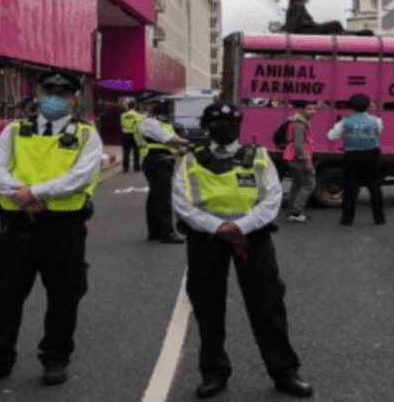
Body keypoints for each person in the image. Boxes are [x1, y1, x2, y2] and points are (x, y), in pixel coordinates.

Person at [0, 71, 102, 388]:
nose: (54, 97)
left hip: (62, 229)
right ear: (39, 95)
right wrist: (23, 196)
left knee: (63, 297)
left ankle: (55, 359)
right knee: (4, 295)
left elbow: (80, 177)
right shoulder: (15, 130)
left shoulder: (86, 134)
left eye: (62, 92)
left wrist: (36, 193)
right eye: (48, 90)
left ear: (74, 99)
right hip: (17, 227)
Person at [172, 103, 313, 399]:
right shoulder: (190, 160)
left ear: (239, 125)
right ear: (206, 127)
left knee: (268, 306)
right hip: (207, 240)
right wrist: (218, 227)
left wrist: (241, 228)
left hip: (253, 239)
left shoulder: (258, 156)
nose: (225, 126)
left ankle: (285, 372)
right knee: (208, 309)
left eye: (230, 121)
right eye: (217, 122)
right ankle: (214, 374)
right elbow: (182, 202)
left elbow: (272, 199)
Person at [134, 91, 189, 244]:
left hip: (158, 160)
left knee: (154, 197)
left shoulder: (154, 121)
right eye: (154, 103)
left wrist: (179, 150)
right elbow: (170, 139)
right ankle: (167, 233)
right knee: (163, 198)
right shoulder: (149, 122)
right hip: (158, 162)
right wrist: (189, 144)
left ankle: (155, 232)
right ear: (145, 106)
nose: (159, 106)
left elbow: (167, 143)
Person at [328, 94, 385, 226]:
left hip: (352, 155)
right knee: (375, 187)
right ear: (368, 105)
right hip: (371, 154)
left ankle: (347, 219)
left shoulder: (345, 121)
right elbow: (378, 133)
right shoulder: (376, 121)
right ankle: (379, 218)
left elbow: (331, 136)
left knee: (350, 188)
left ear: (351, 106)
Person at [281, 101, 318, 223]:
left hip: (291, 157)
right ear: (302, 109)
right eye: (309, 108)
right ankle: (296, 211)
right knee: (309, 184)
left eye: (313, 108)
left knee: (297, 183)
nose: (312, 111)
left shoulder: (296, 121)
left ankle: (293, 211)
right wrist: (306, 161)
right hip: (298, 158)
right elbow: (298, 145)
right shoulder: (301, 123)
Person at [120, 100, 142, 172]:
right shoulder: (137, 115)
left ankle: (125, 168)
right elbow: (138, 125)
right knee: (136, 152)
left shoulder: (123, 115)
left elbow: (121, 124)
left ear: (128, 106)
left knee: (126, 152)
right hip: (134, 135)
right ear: (135, 106)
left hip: (125, 134)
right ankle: (136, 167)